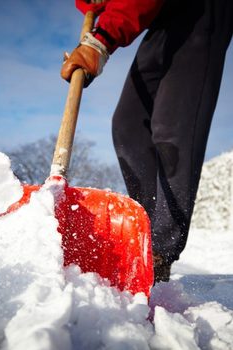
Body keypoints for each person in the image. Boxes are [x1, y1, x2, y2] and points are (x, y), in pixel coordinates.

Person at [61, 0, 233, 282]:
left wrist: (101, 41)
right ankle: (145, 232)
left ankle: (159, 251)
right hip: (164, 18)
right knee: (128, 126)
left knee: (171, 128)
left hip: (202, 10)